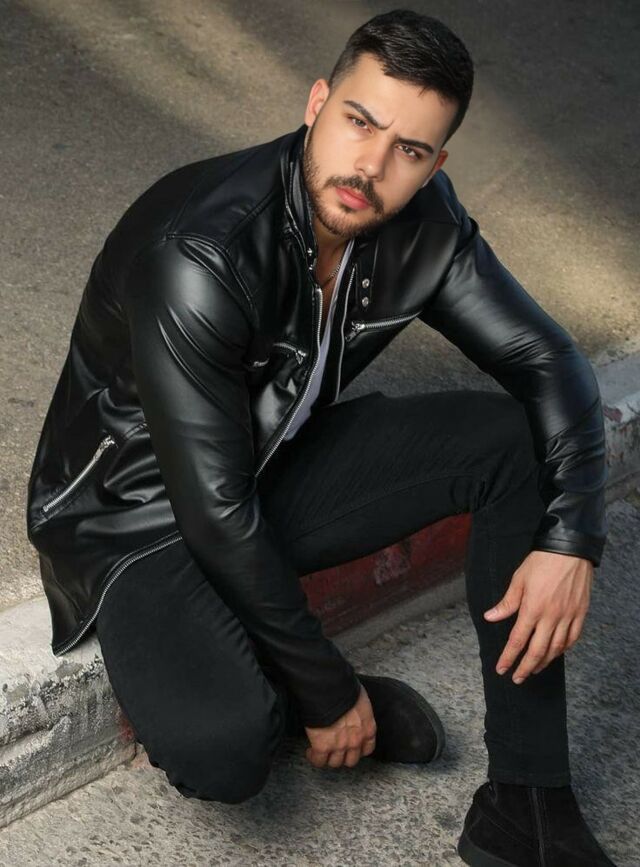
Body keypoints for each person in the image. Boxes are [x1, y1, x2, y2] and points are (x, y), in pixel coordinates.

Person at [25, 9, 617, 865]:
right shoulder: (202, 252)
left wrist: (572, 540)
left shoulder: (426, 226)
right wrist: (328, 691)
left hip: (267, 467)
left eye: (409, 149)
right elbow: (216, 512)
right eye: (359, 121)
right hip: (139, 515)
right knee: (223, 750)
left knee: (513, 443)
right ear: (316, 105)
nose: (370, 166)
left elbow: (547, 359)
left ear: (435, 166)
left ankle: (527, 801)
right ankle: (284, 698)